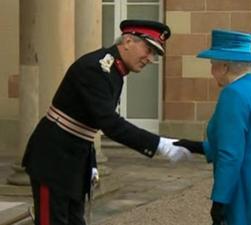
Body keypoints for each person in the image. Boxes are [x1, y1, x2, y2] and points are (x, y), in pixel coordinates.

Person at [22, 20, 191, 225]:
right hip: (53, 159)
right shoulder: (96, 68)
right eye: (148, 49)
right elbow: (109, 123)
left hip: (73, 157)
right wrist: (159, 145)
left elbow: (86, 122)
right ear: (128, 40)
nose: (149, 58)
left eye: (154, 54)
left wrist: (90, 163)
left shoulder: (113, 70)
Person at [174, 29, 251, 225]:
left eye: (213, 65)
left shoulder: (233, 94)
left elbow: (231, 154)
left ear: (225, 67)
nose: (211, 71)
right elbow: (250, 140)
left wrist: (219, 201)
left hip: (248, 188)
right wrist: (197, 147)